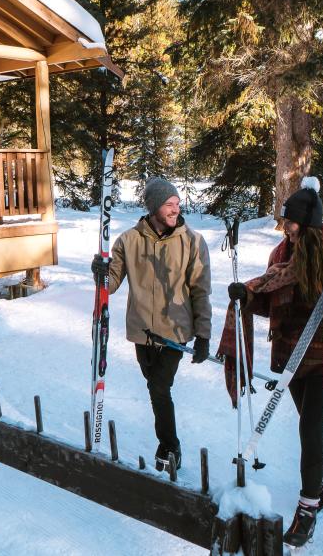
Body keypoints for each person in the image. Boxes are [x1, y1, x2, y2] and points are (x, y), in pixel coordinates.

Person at [225, 179, 323, 547]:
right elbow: (270, 299)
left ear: (307, 224)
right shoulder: (280, 255)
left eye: (290, 222)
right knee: (312, 428)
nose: (284, 227)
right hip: (293, 357)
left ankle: (307, 508)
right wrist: (248, 295)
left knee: (311, 431)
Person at [91, 177, 212, 472]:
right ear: (154, 207)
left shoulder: (192, 242)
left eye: (177, 204)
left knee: (159, 386)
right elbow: (112, 283)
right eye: (169, 204)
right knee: (153, 386)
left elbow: (200, 289)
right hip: (142, 332)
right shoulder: (128, 241)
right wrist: (101, 273)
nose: (176, 209)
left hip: (175, 331)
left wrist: (203, 335)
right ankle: (169, 441)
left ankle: (169, 445)